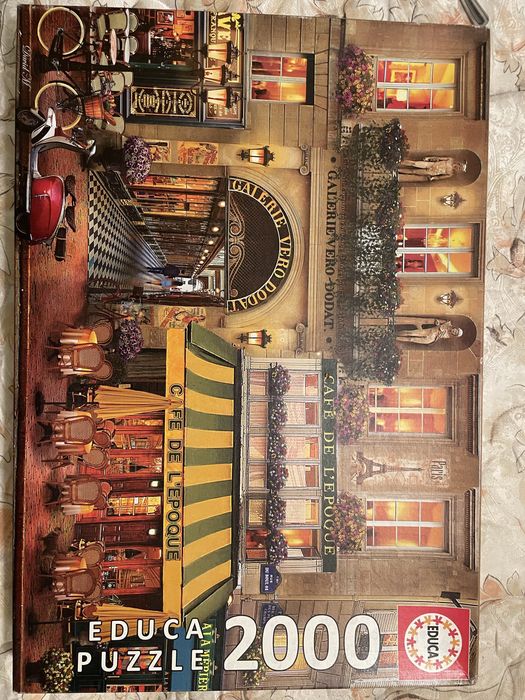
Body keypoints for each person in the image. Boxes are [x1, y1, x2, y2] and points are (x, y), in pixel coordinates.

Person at [398, 156, 467, 182]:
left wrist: (433, 178)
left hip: (431, 172)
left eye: (459, 169)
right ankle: (399, 162)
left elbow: (440, 177)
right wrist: (429, 158)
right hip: (430, 164)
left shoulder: (450, 173)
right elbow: (438, 158)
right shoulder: (450, 160)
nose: (458, 168)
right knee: (414, 163)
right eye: (459, 167)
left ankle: (398, 171)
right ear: (459, 164)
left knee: (414, 171)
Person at [396, 319, 463, 344]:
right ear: (455, 328)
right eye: (455, 330)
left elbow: (439, 336)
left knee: (411, 339)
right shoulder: (448, 324)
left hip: (431, 339)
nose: (454, 331)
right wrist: (438, 324)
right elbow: (439, 327)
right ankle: (394, 333)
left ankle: (395, 338)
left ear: (454, 335)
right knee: (410, 332)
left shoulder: (448, 336)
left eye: (455, 333)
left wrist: (439, 333)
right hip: (429, 331)